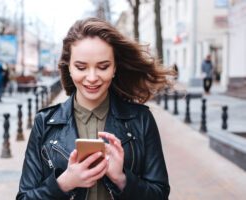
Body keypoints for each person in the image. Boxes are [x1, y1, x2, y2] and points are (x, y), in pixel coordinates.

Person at [17, 17, 174, 200]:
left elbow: (159, 195)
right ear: (69, 67)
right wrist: (63, 184)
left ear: (114, 67)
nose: (92, 78)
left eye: (103, 66)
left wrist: (122, 179)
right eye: (81, 67)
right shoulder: (44, 124)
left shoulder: (141, 119)